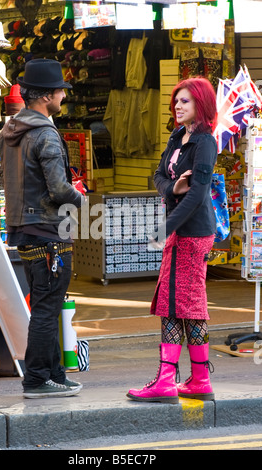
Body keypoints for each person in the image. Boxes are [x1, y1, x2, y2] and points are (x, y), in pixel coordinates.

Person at [127, 76, 217, 404]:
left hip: (192, 234)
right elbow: (159, 175)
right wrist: (171, 188)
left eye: (186, 101)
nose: (178, 106)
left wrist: (165, 228)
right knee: (185, 308)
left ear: (201, 105)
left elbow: (197, 196)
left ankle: (168, 381)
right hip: (181, 232)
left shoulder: (205, 142)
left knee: (177, 306)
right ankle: (198, 379)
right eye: (176, 101)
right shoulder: (178, 136)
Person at [0, 59, 86, 399]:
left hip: (23, 228)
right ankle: (37, 378)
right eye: (61, 90)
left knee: (44, 303)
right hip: (49, 230)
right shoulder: (45, 133)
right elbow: (59, 189)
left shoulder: (12, 130)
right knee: (48, 307)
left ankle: (53, 375)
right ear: (48, 95)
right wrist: (82, 200)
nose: (64, 96)